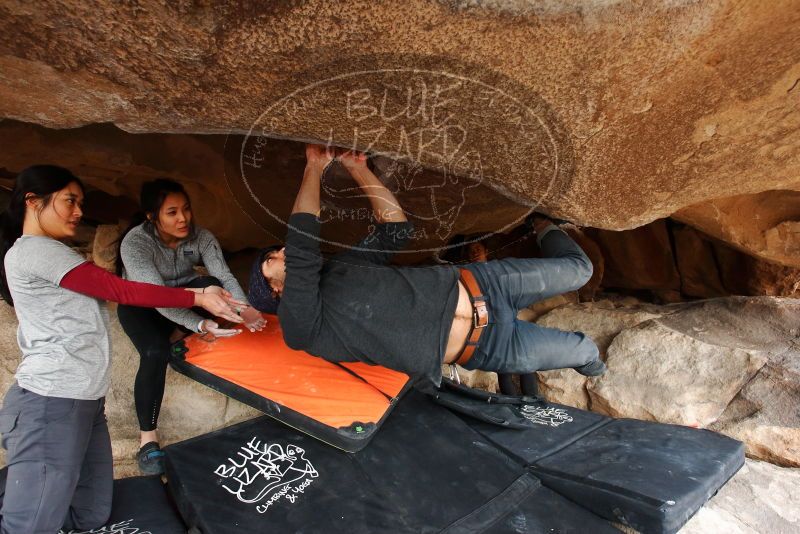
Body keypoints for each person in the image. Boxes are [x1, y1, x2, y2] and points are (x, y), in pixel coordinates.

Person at [0, 165, 244, 533]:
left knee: (91, 513)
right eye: (70, 201)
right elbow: (123, 291)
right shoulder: (35, 252)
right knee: (29, 525)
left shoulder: (51, 251)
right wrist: (197, 297)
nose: (79, 211)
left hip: (85, 401)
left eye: (80, 202)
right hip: (51, 401)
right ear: (33, 202)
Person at [249, 145, 605, 386]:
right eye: (270, 261)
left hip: (487, 284)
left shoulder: (347, 265)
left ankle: (542, 226)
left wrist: (358, 169)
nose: (280, 254)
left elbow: (395, 231)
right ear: (276, 292)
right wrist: (314, 167)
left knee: (581, 270)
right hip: (489, 345)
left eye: (276, 251)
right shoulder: (301, 329)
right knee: (586, 352)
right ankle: (601, 373)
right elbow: (301, 246)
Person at [116, 178, 265, 475]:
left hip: (185, 295)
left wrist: (245, 309)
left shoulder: (201, 237)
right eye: (171, 212)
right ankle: (148, 440)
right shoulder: (136, 243)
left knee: (210, 284)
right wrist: (199, 324)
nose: (183, 218)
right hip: (143, 304)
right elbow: (156, 297)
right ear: (151, 216)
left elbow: (222, 275)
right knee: (155, 352)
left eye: (185, 209)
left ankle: (174, 332)